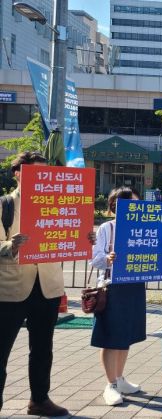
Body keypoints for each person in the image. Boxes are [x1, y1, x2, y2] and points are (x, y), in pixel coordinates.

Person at [0, 152, 95, 416]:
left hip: (48, 287)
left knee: (43, 348)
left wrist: (85, 237)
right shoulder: (5, 205)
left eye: (46, 172)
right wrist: (10, 246)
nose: (43, 177)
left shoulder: (61, 202)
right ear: (17, 173)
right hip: (10, 290)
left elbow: (68, 238)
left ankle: (39, 399)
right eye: (35, 172)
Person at [90, 187, 147, 405]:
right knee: (111, 337)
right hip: (112, 286)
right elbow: (95, 259)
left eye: (138, 203)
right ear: (117, 206)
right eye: (132, 204)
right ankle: (111, 384)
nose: (136, 208)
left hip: (134, 285)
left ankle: (120, 378)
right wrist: (109, 258)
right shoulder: (107, 227)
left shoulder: (142, 228)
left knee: (126, 335)